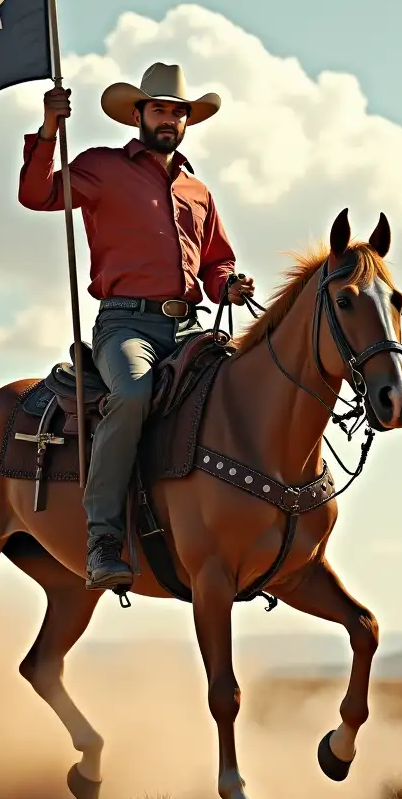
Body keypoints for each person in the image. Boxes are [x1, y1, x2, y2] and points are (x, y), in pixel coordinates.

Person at [17, 62, 254, 593]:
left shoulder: (198, 191)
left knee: (248, 389)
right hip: (126, 326)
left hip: (191, 326)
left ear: (187, 121)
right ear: (139, 114)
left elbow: (216, 261)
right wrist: (50, 131)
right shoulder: (102, 167)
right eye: (160, 110)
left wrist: (230, 284)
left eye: (178, 112)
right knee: (131, 394)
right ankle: (102, 538)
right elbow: (38, 195)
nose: (169, 119)